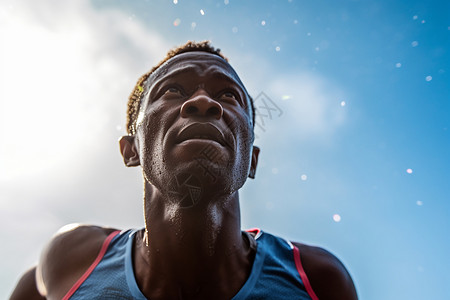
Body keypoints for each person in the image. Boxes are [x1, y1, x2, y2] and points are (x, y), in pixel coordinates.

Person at [10, 41, 358, 300]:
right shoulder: (74, 259)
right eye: (173, 90)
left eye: (228, 95)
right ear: (131, 150)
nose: (204, 102)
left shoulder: (318, 281)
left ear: (251, 161)